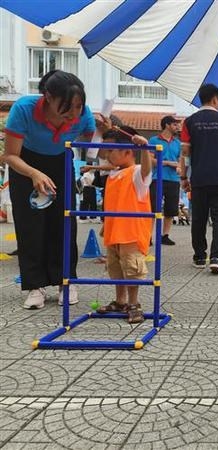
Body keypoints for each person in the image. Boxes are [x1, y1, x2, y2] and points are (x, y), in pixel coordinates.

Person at [3, 70, 104, 309]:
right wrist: (34, 174)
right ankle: (34, 285)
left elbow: (90, 148)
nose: (74, 113)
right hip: (25, 164)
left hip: (60, 163)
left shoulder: (83, 115)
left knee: (64, 223)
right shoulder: (24, 109)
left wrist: (101, 131)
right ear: (48, 96)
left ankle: (66, 282)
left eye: (79, 106)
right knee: (31, 225)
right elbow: (9, 155)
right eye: (68, 106)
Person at [179, 84, 218, 274]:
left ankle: (200, 256)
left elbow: (184, 152)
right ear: (215, 99)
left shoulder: (189, 122)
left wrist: (184, 176)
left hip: (199, 178)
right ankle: (216, 258)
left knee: (198, 218)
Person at [96, 126, 151, 324]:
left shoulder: (136, 173)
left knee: (132, 269)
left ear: (128, 151)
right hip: (113, 232)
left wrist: (144, 148)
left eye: (111, 151)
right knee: (116, 268)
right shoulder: (113, 174)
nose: (107, 155)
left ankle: (134, 303)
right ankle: (120, 301)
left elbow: (146, 170)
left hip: (131, 232)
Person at [148, 115, 181, 246]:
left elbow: (181, 161)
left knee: (171, 209)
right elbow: (150, 160)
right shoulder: (153, 140)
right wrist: (167, 162)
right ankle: (148, 236)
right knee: (152, 208)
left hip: (174, 179)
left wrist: (179, 167)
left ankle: (165, 235)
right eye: (175, 124)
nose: (177, 127)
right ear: (167, 125)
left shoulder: (178, 143)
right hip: (157, 178)